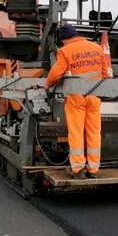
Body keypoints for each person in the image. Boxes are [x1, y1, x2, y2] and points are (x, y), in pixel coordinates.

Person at [44, 24, 110, 179]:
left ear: (64, 39)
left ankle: (78, 169)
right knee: (94, 132)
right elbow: (105, 73)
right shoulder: (96, 47)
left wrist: (46, 86)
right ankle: (93, 168)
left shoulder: (65, 50)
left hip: (76, 98)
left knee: (76, 133)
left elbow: (56, 73)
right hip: (94, 97)